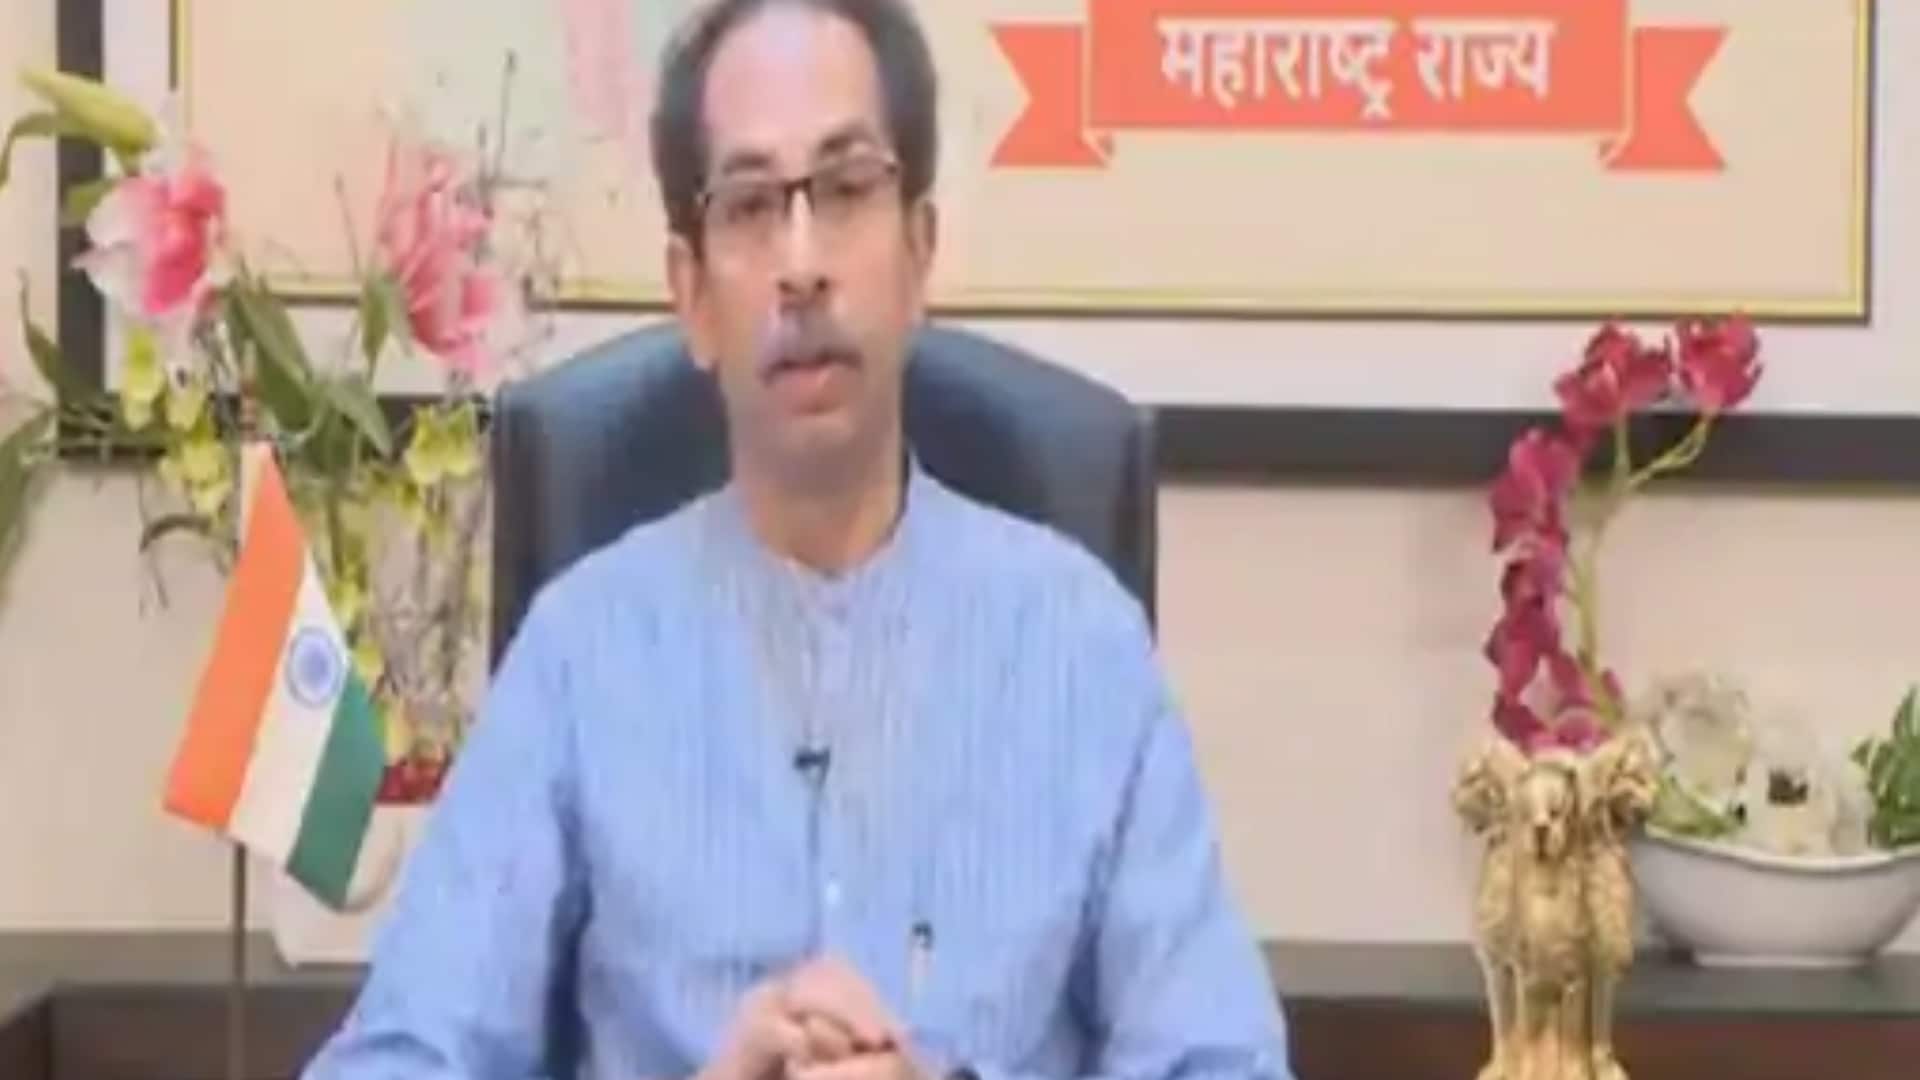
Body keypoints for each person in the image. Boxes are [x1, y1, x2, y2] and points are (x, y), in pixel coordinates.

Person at [302, 1, 1293, 1078]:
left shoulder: (1081, 650)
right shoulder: (580, 657)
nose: (803, 262)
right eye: (750, 205)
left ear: (919, 252)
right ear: (691, 295)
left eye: (848, 188)